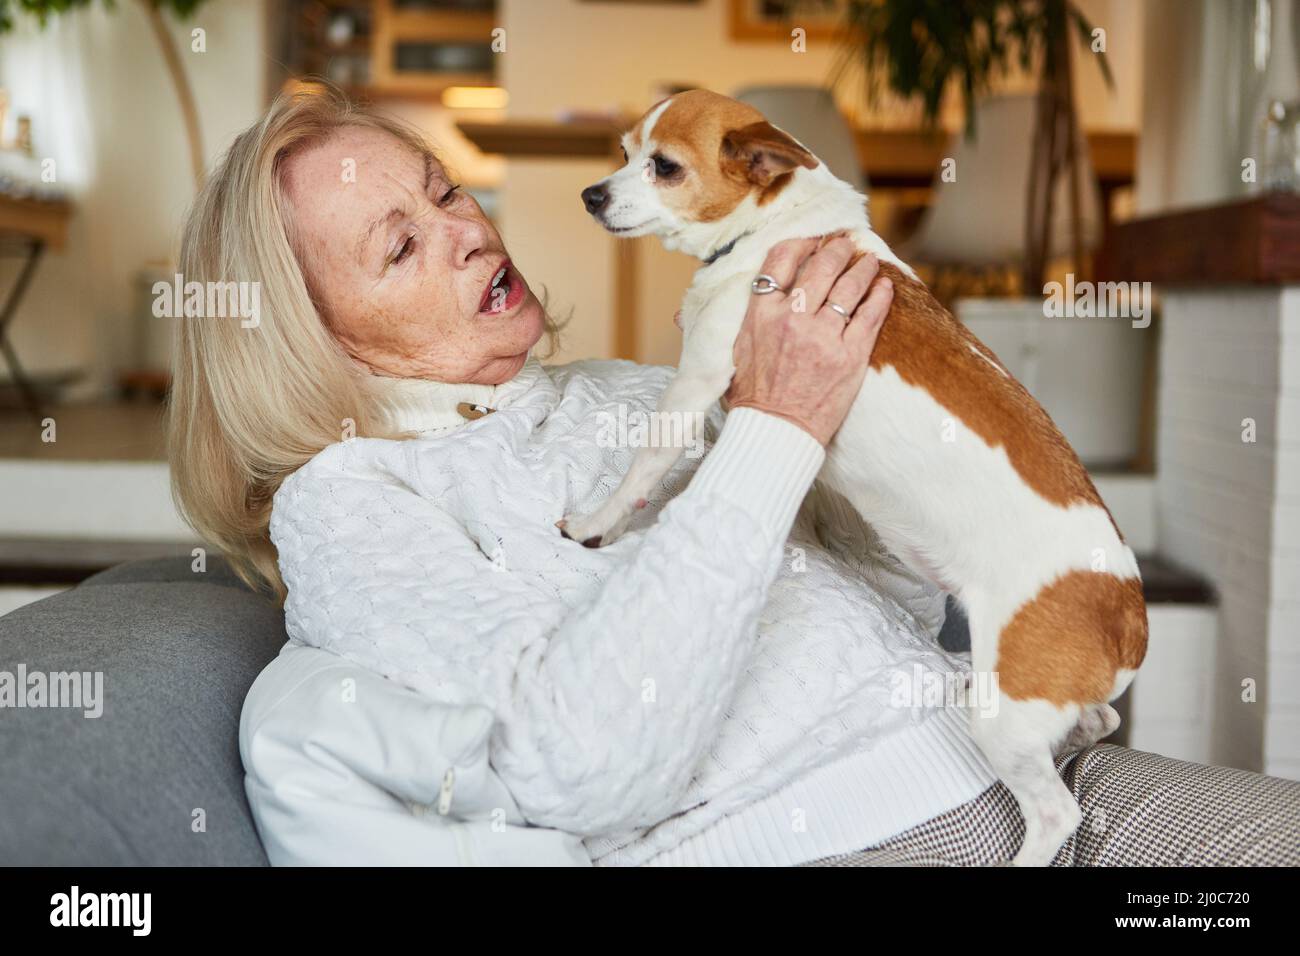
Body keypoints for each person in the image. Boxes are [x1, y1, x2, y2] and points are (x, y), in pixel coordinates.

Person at [170, 83, 1300, 866]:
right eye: (400, 246)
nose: (469, 230)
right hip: (837, 837)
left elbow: (885, 597)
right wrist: (770, 430)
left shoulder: (611, 387)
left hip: (990, 764)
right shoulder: (351, 503)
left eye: (445, 190)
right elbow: (577, 760)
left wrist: (894, 405)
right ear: (308, 339)